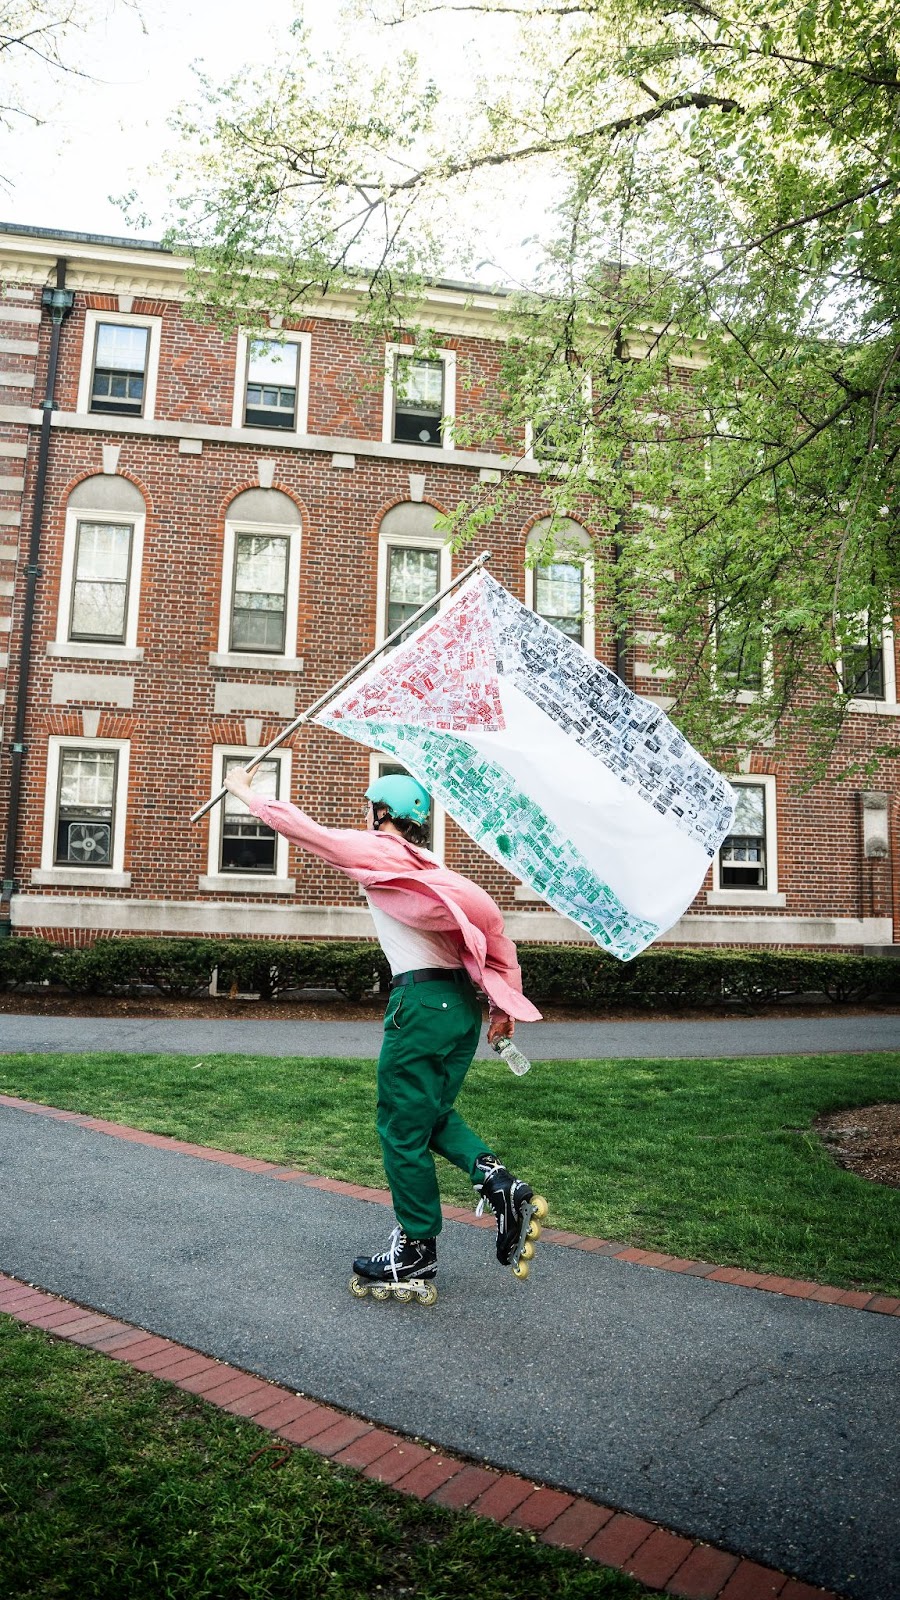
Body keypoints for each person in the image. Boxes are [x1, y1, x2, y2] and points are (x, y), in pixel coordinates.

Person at [222, 765, 545, 1301]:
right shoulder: (433, 864)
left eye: (370, 809)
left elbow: (315, 836)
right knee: (431, 1113)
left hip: (420, 1003)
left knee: (399, 1126)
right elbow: (493, 935)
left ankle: (416, 1251)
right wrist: (500, 1004)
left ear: (382, 814)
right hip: (460, 1007)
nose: (364, 817)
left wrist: (246, 793)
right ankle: (498, 1182)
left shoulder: (384, 852)